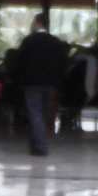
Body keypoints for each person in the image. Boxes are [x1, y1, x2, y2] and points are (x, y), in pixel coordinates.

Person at [15, 13, 69, 156]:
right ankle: (36, 144)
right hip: (51, 84)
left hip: (32, 83)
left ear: (38, 22)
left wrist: (19, 80)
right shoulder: (56, 42)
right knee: (44, 114)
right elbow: (64, 63)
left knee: (34, 113)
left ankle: (40, 146)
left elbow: (19, 62)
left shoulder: (28, 41)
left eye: (33, 21)